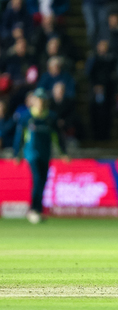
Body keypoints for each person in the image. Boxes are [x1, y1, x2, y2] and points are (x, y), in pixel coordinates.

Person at [13, 88, 69, 224]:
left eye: (43, 100)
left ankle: (38, 210)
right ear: (33, 101)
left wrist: (63, 153)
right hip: (31, 153)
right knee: (37, 179)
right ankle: (33, 210)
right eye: (38, 100)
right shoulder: (26, 117)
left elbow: (58, 137)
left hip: (45, 153)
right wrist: (17, 153)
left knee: (43, 181)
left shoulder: (51, 117)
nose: (40, 103)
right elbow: (19, 136)